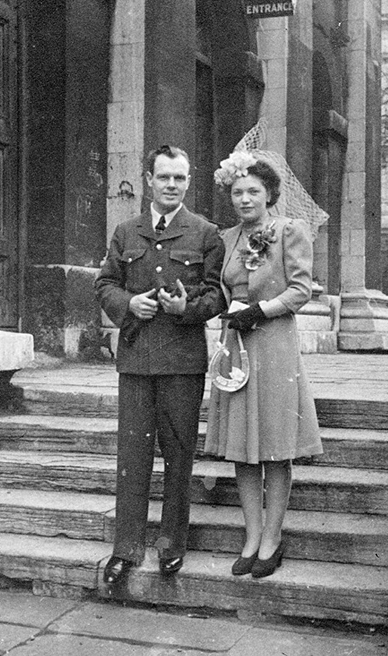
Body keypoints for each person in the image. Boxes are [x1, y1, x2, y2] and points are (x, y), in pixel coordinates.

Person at [95, 144, 225, 586]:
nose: (172, 185)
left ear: (189, 181)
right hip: (135, 361)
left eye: (180, 178)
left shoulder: (206, 233)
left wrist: (185, 308)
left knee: (177, 455)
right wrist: (129, 303)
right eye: (164, 177)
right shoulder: (126, 232)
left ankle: (172, 544)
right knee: (132, 457)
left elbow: (217, 296)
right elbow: (105, 283)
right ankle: (126, 548)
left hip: (182, 364)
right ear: (148, 179)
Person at [204, 150, 323, 578]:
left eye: (253, 191)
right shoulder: (225, 237)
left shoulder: (289, 230)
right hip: (235, 341)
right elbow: (221, 288)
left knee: (273, 443)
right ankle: (251, 535)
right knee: (242, 446)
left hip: (272, 342)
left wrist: (261, 310)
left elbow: (301, 290)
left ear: (270, 193)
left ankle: (273, 538)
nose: (245, 198)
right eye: (237, 192)